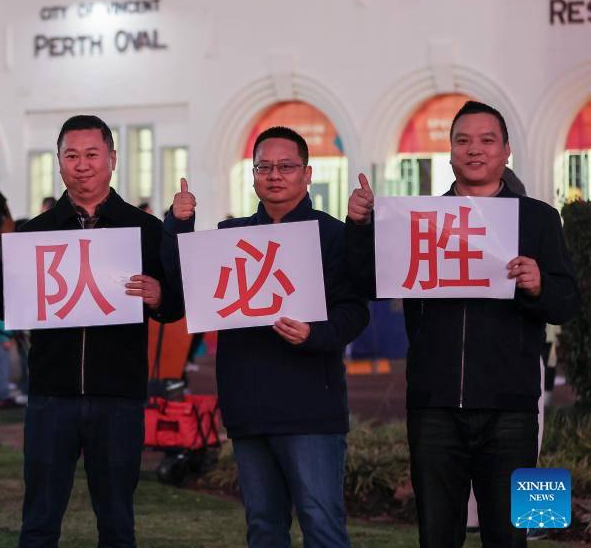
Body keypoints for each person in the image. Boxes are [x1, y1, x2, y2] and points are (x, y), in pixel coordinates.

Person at [346, 100, 579, 547]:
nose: (475, 150)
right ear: (450, 150)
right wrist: (359, 227)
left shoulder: (539, 218)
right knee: (437, 535)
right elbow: (366, 283)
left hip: (512, 407)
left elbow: (567, 303)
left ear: (506, 151)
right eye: (463, 140)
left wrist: (537, 286)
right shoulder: (417, 221)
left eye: (487, 140)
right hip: (434, 405)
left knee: (510, 535)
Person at [0, 114, 182, 548]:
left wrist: (160, 296)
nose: (82, 164)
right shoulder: (35, 233)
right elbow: (11, 307)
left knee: (118, 522)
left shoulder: (144, 230)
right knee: (40, 521)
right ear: (59, 162)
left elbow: (177, 306)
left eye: (91, 154)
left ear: (112, 159)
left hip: (118, 396)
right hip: (52, 395)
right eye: (72, 155)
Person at [162, 126, 369, 547]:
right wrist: (179, 225)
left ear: (307, 174)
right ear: (253, 174)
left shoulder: (332, 235)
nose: (275, 175)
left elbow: (356, 312)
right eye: (264, 166)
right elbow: (184, 285)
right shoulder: (230, 235)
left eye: (287, 166)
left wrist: (315, 334)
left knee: (323, 525)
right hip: (248, 407)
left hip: (312, 408)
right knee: (262, 527)